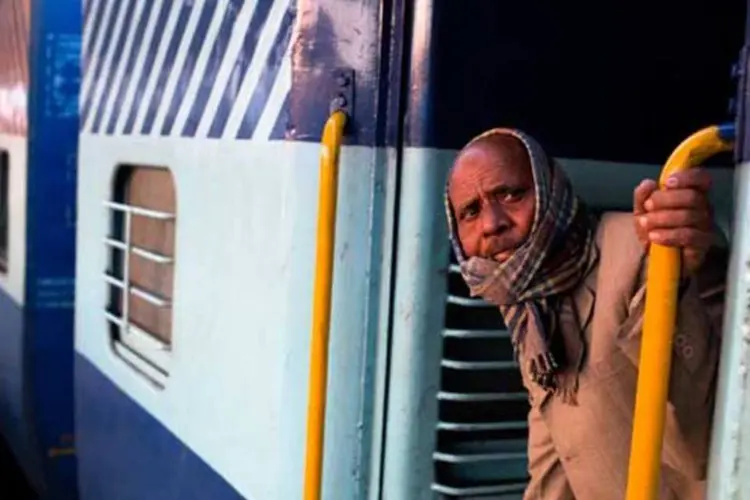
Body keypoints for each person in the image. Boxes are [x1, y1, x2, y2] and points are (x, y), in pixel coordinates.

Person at [444, 128, 727, 499]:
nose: (492, 222)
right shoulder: (530, 313)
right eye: (471, 211)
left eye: (510, 194)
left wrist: (672, 283)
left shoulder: (649, 250)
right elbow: (555, 460)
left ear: (549, 188)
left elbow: (701, 444)